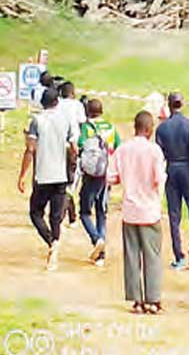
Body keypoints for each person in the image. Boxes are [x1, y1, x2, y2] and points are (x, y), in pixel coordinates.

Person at [108, 111, 166, 315]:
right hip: (149, 210)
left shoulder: (123, 149)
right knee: (153, 255)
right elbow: (159, 179)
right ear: (150, 129)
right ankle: (153, 298)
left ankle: (136, 299)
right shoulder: (154, 151)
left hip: (130, 210)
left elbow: (111, 177)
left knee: (132, 255)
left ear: (135, 127)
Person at [18, 88, 77, 271]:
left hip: (43, 175)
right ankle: (55, 245)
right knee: (55, 216)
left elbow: (30, 149)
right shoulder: (65, 121)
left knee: (35, 212)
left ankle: (51, 242)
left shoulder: (37, 121)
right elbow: (73, 148)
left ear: (42, 103)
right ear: (57, 102)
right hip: (61, 175)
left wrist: (22, 175)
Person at [155, 92, 189, 270]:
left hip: (171, 169)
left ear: (169, 105)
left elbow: (159, 154)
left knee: (174, 214)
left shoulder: (162, 128)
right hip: (188, 169)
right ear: (182, 104)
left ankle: (179, 256)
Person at [78, 99, 121, 267]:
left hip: (91, 175)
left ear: (88, 111)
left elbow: (80, 145)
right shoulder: (110, 128)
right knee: (102, 211)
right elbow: (117, 146)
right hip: (106, 174)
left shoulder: (86, 128)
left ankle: (96, 239)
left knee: (84, 212)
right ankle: (101, 255)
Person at [59, 81, 86, 228]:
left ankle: (70, 216)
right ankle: (66, 216)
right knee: (70, 182)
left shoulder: (57, 104)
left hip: (58, 147)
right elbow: (82, 124)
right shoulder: (77, 105)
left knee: (63, 182)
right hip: (73, 147)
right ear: (72, 93)